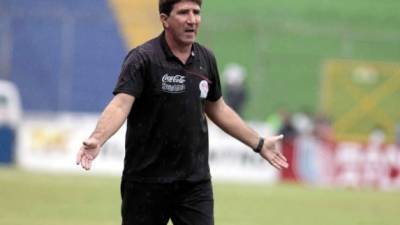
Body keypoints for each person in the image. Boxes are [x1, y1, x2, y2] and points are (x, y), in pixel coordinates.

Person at [76, 1, 288, 225]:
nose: (192, 19)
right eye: (184, 13)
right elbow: (120, 104)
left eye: (196, 12)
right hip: (146, 181)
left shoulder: (206, 59)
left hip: (194, 184)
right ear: (164, 20)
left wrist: (259, 143)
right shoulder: (143, 58)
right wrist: (98, 138)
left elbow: (218, 107)